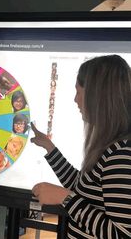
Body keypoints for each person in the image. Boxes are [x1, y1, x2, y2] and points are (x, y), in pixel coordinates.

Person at [31, 55, 131, 238]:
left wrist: (64, 198)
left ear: (97, 96)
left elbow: (123, 234)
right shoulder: (110, 145)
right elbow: (83, 188)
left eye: (79, 92)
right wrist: (50, 148)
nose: (75, 99)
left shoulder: (120, 155)